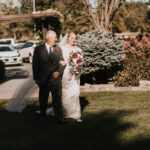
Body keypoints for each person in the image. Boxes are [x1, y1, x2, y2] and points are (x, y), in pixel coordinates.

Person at [47, 31, 83, 122]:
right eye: (72, 38)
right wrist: (60, 63)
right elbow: (57, 59)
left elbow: (81, 61)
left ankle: (75, 114)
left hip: (76, 74)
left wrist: (78, 68)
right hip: (66, 73)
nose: (74, 40)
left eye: (75, 38)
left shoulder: (79, 49)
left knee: (75, 92)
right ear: (68, 38)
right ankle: (64, 112)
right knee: (66, 93)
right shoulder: (62, 48)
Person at [32, 30, 66, 123]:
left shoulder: (58, 49)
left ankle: (59, 117)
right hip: (43, 80)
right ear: (49, 38)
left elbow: (62, 63)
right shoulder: (38, 49)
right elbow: (35, 65)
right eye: (55, 37)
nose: (56, 39)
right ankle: (42, 116)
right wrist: (36, 79)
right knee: (43, 99)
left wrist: (59, 72)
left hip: (55, 79)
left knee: (57, 99)